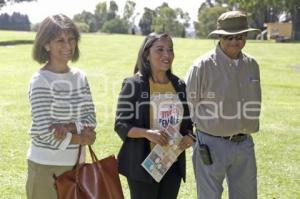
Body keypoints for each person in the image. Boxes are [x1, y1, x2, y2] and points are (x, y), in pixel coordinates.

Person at [185, 11, 262, 199]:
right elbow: (187, 104)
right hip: (210, 144)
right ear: (220, 37)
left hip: (244, 144)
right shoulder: (201, 66)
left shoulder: (252, 64)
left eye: (240, 36)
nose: (236, 41)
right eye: (230, 37)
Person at [114, 32, 195, 199]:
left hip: (172, 162)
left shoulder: (179, 85)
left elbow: (187, 125)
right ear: (147, 55)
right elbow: (121, 124)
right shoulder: (134, 85)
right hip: (143, 164)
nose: (167, 55)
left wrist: (189, 137)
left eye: (170, 50)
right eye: (160, 49)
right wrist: (147, 133)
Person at [26, 14, 97, 199]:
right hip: (45, 167)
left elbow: (91, 119)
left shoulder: (80, 77)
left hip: (77, 165)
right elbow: (45, 132)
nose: (68, 45)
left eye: (71, 39)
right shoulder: (40, 81)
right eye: (60, 40)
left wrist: (67, 128)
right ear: (46, 44)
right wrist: (81, 138)